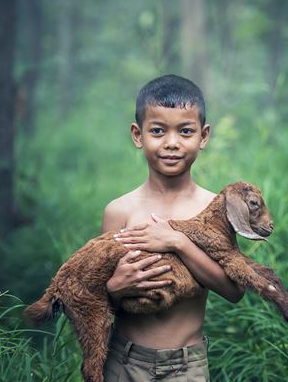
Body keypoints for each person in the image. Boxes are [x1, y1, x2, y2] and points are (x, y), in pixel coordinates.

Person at [101, 74, 244, 381]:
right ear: (138, 135)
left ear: (203, 136)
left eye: (185, 131)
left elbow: (234, 290)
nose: (171, 143)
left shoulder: (215, 210)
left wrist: (179, 242)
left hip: (186, 366)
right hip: (122, 361)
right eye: (157, 131)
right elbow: (96, 298)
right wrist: (115, 289)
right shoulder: (120, 211)